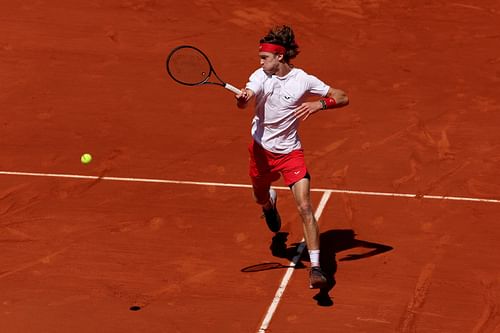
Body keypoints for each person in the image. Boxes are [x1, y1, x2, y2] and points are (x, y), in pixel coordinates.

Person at [235, 25, 349, 289]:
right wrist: (244, 98)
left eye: (265, 57)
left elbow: (342, 96)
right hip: (261, 152)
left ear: (280, 56)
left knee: (305, 207)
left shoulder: (303, 80)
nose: (260, 62)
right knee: (259, 197)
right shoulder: (260, 76)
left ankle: (317, 268)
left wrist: (320, 103)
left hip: (291, 153)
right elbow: (249, 93)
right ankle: (268, 205)